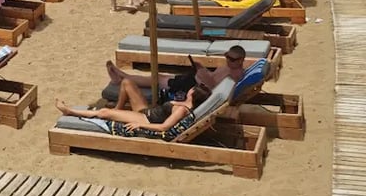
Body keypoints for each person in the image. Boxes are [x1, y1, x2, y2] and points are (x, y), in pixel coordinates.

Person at [55, 84, 210, 133]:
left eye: (193, 88)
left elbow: (164, 127)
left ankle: (69, 111)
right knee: (127, 83)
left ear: (193, 93)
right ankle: (118, 109)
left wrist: (140, 125)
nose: (190, 88)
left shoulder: (182, 110)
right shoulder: (184, 104)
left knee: (103, 112)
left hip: (145, 118)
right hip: (147, 110)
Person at [105, 45, 247, 96]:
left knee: (159, 80)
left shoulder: (235, 75)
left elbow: (214, 88)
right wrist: (201, 69)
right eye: (227, 57)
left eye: (232, 59)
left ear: (241, 60)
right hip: (195, 80)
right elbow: (212, 77)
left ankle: (122, 78)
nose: (228, 60)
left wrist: (201, 71)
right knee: (162, 76)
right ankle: (123, 77)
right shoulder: (228, 67)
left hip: (194, 88)